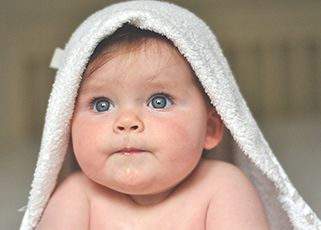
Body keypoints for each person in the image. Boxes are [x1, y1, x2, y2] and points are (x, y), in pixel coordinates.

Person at [20, 1, 321, 230]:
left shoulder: (222, 187)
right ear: (65, 123)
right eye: (101, 104)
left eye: (159, 101)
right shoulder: (77, 195)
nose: (127, 122)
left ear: (211, 128)